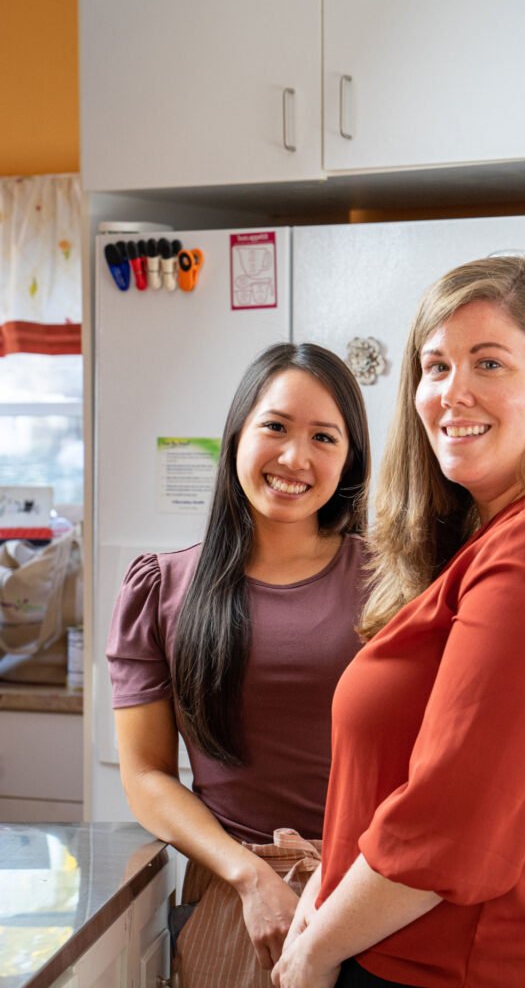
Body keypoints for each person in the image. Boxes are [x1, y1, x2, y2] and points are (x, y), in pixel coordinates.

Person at [272, 257, 525, 988]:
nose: (450, 392)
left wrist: (312, 950)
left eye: (487, 362)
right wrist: (326, 900)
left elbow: (450, 826)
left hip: (481, 968)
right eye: (434, 367)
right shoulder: (504, 540)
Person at [106, 342, 371, 987]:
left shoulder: (395, 584)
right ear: (235, 438)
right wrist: (252, 877)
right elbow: (145, 774)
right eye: (275, 427)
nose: (294, 458)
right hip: (232, 898)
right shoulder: (161, 588)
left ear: (350, 461)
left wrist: (340, 884)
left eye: (324, 438)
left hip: (370, 895)